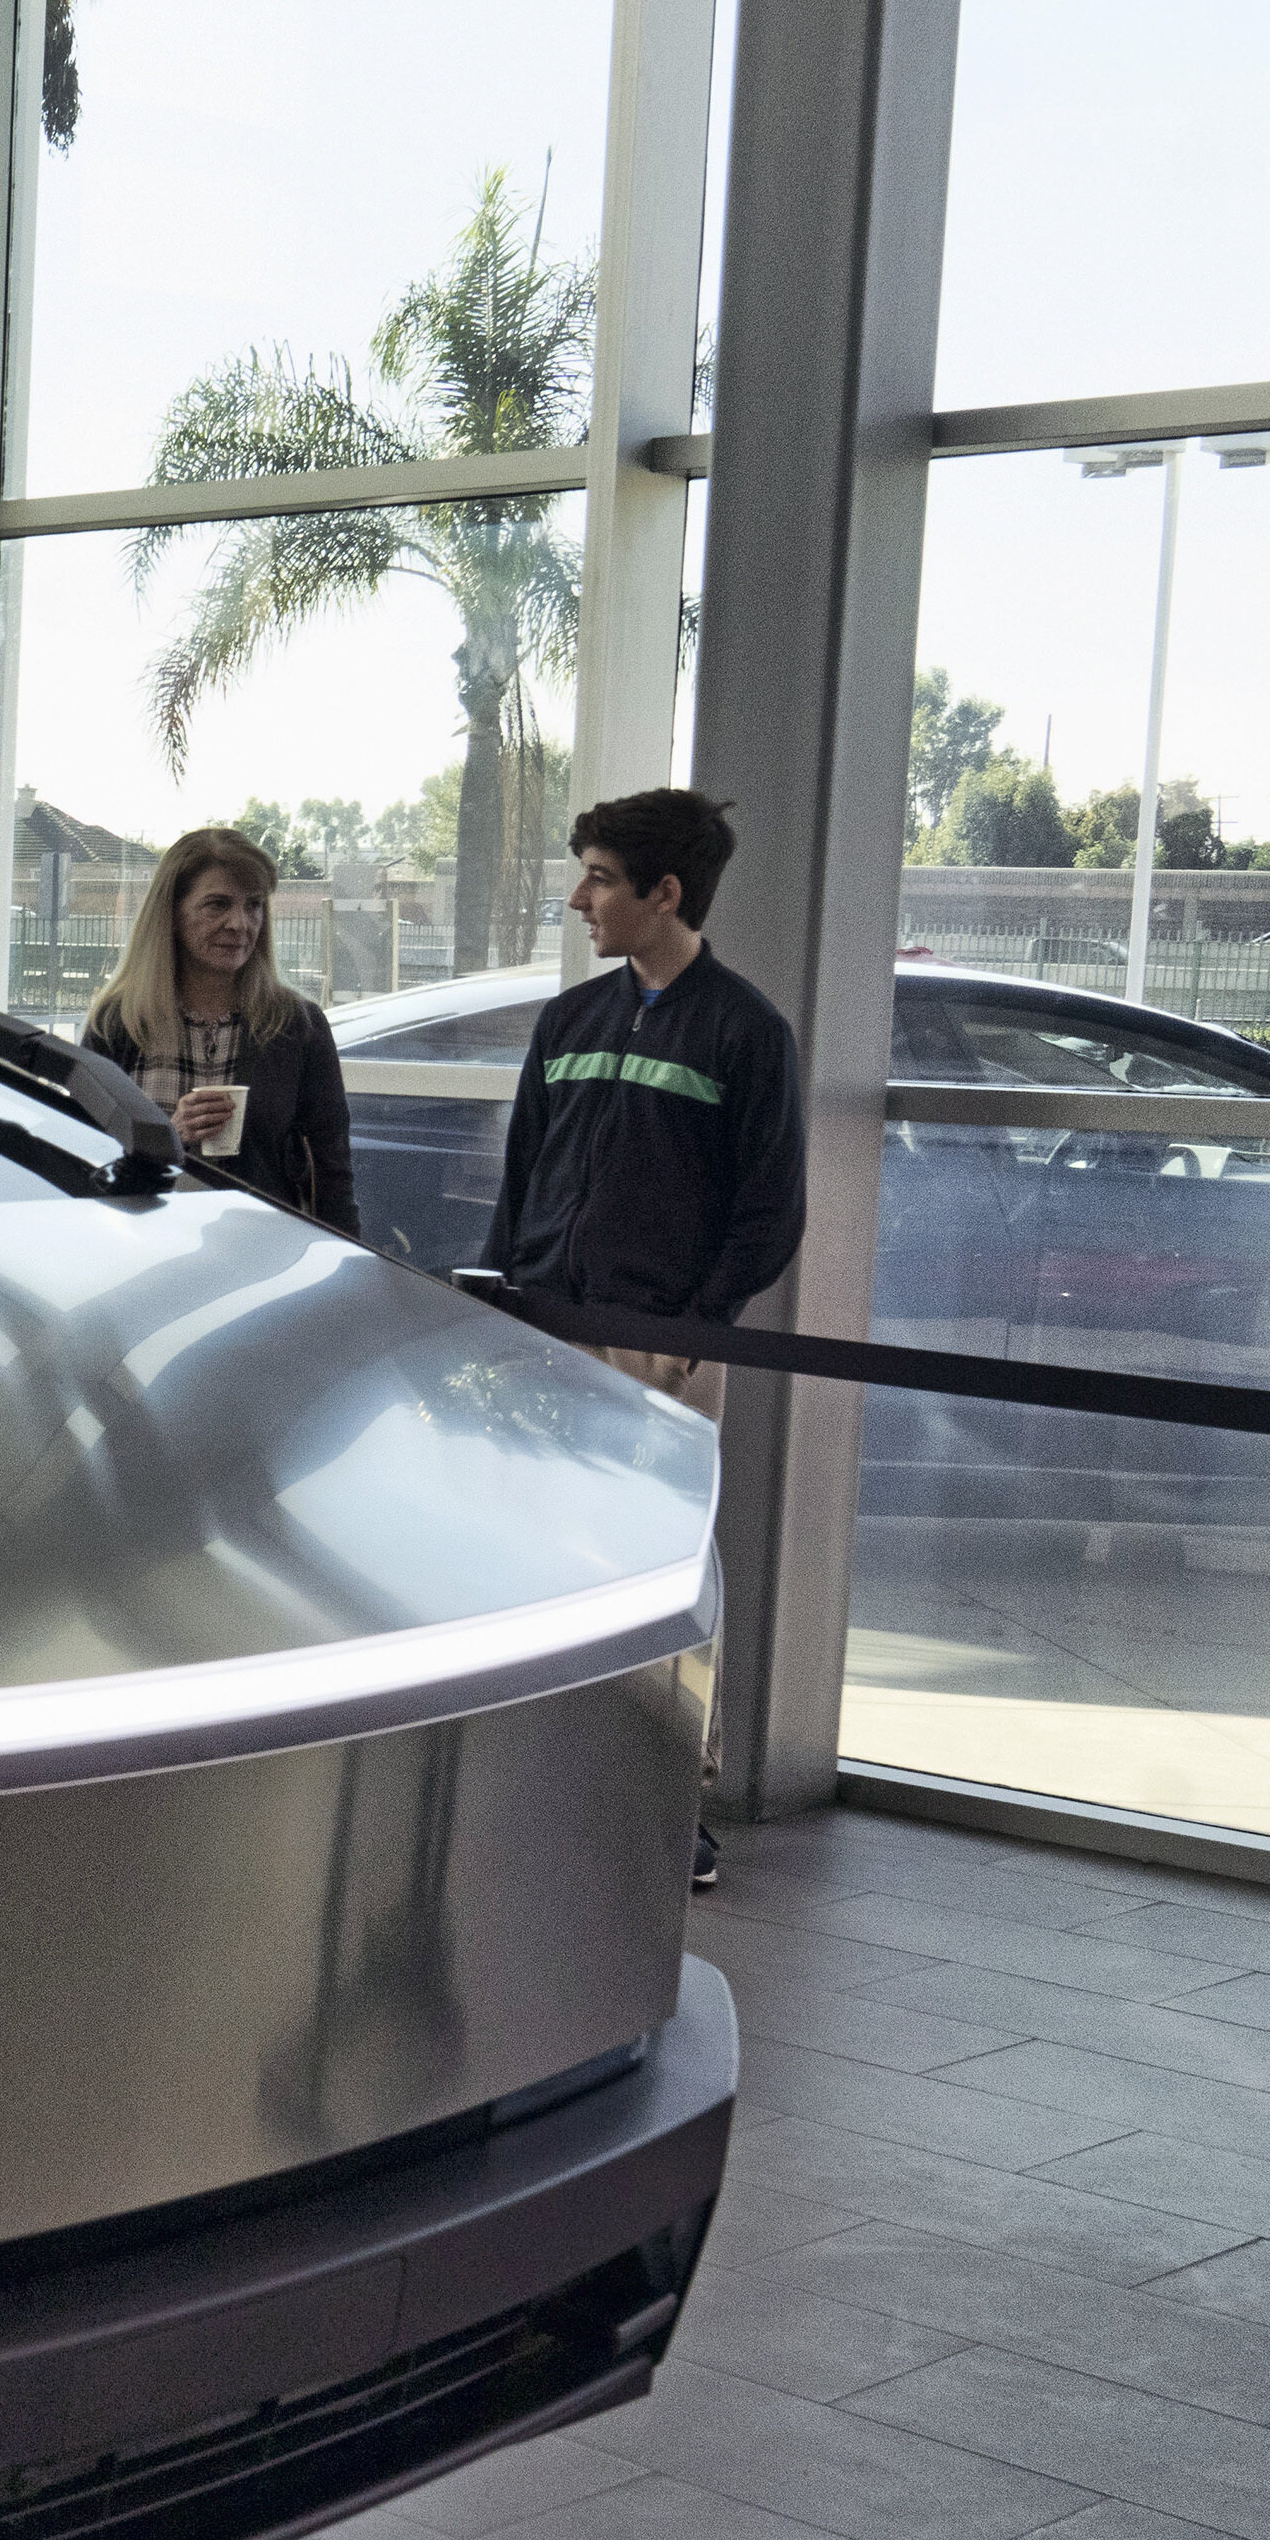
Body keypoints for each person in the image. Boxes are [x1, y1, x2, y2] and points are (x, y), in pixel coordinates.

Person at [474, 783, 801, 1888]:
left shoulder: (747, 1032)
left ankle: (670, 1807)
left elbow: (769, 1207)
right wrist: (504, 1294)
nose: (580, 900)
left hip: (662, 1348)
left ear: (665, 893)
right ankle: (541, 1783)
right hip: (544, 1335)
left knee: (660, 1572)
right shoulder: (569, 1023)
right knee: (538, 1558)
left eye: (602, 879)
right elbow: (525, 1177)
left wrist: (697, 1331)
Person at [77, 825, 355, 1234]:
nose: (239, 924)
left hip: (260, 1254)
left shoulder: (297, 1025)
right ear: (171, 913)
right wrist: (170, 1137)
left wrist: (347, 1268)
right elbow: (82, 1157)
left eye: (254, 905)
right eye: (217, 905)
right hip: (142, 1250)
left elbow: (332, 1170)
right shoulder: (118, 1022)